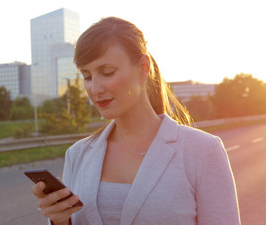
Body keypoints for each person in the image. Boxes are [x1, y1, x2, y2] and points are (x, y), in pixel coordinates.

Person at [31, 17, 240, 225]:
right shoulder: (77, 155)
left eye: (107, 72)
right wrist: (60, 220)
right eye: (87, 76)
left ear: (143, 67)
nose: (95, 89)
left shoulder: (204, 150)